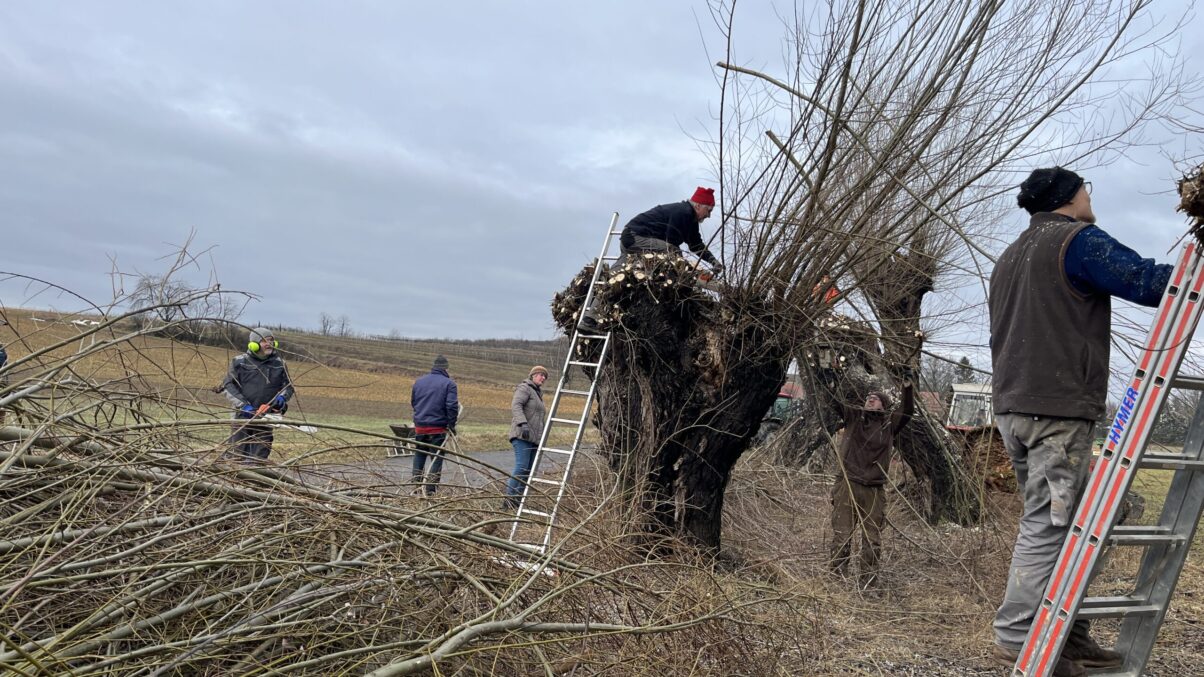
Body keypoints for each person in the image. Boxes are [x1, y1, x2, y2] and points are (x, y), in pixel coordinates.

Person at [988, 167, 1172, 676]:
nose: (1091, 195)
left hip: (1016, 405)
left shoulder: (1011, 255)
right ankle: (1017, 637)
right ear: (1070, 196)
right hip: (1056, 409)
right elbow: (1148, 282)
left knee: (1093, 516)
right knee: (1050, 523)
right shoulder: (1076, 240)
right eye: (1087, 187)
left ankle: (1070, 631)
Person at [579, 187, 724, 332]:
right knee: (673, 253)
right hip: (636, 238)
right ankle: (710, 285)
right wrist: (686, 274)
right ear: (698, 205)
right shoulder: (683, 212)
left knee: (615, 280)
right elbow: (671, 246)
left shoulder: (690, 220)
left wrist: (713, 261)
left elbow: (696, 245)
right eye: (709, 210)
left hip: (631, 240)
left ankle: (588, 320)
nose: (709, 216)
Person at [829, 375, 914, 589]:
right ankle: (836, 581)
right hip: (847, 485)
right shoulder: (853, 417)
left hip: (874, 490)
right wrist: (830, 377)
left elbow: (907, 411)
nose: (870, 399)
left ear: (883, 405)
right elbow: (834, 401)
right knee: (842, 536)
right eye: (868, 397)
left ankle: (867, 584)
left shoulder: (889, 426)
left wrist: (907, 386)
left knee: (872, 541)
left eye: (875, 398)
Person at [222, 328, 294, 462]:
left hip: (266, 417)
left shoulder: (279, 364)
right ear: (254, 344)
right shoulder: (239, 362)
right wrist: (244, 406)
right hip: (241, 416)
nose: (269, 344)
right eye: (264, 341)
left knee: (259, 458)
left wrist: (282, 398)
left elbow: (288, 387)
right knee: (236, 456)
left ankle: (256, 479)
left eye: (271, 340)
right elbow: (228, 386)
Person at [410, 355, 459, 495]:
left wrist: (420, 417)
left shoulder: (419, 382)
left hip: (420, 427)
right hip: (438, 428)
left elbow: (414, 402)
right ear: (446, 368)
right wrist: (451, 425)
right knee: (436, 458)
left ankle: (416, 487)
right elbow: (452, 406)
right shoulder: (449, 384)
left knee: (419, 454)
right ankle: (431, 491)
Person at [504, 365, 549, 508]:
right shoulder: (525, 388)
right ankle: (508, 499)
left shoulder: (538, 393)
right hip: (522, 435)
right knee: (522, 466)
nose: (543, 378)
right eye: (541, 375)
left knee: (529, 471)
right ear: (533, 375)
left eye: (545, 377)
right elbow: (516, 405)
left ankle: (517, 501)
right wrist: (523, 424)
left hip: (534, 439)